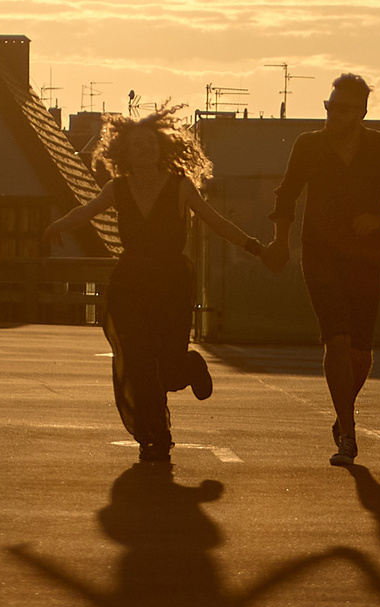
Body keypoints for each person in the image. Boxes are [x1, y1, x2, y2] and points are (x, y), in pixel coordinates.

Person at [47, 107, 270, 463]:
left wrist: (255, 246)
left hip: (170, 284)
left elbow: (215, 222)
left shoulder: (179, 186)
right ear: (125, 152)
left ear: (160, 147)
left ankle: (190, 367)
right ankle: (155, 435)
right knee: (137, 362)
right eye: (137, 146)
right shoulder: (117, 188)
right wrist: (57, 226)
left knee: (166, 366)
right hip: (131, 283)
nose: (145, 151)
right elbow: (85, 211)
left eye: (150, 144)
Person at [261, 73, 380, 466]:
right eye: (329, 107)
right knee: (337, 341)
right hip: (320, 255)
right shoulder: (309, 146)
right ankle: (347, 433)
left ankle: (341, 413)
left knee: (362, 354)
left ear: (361, 112)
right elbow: (287, 195)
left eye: (343, 109)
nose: (333, 114)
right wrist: (280, 241)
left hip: (367, 257)